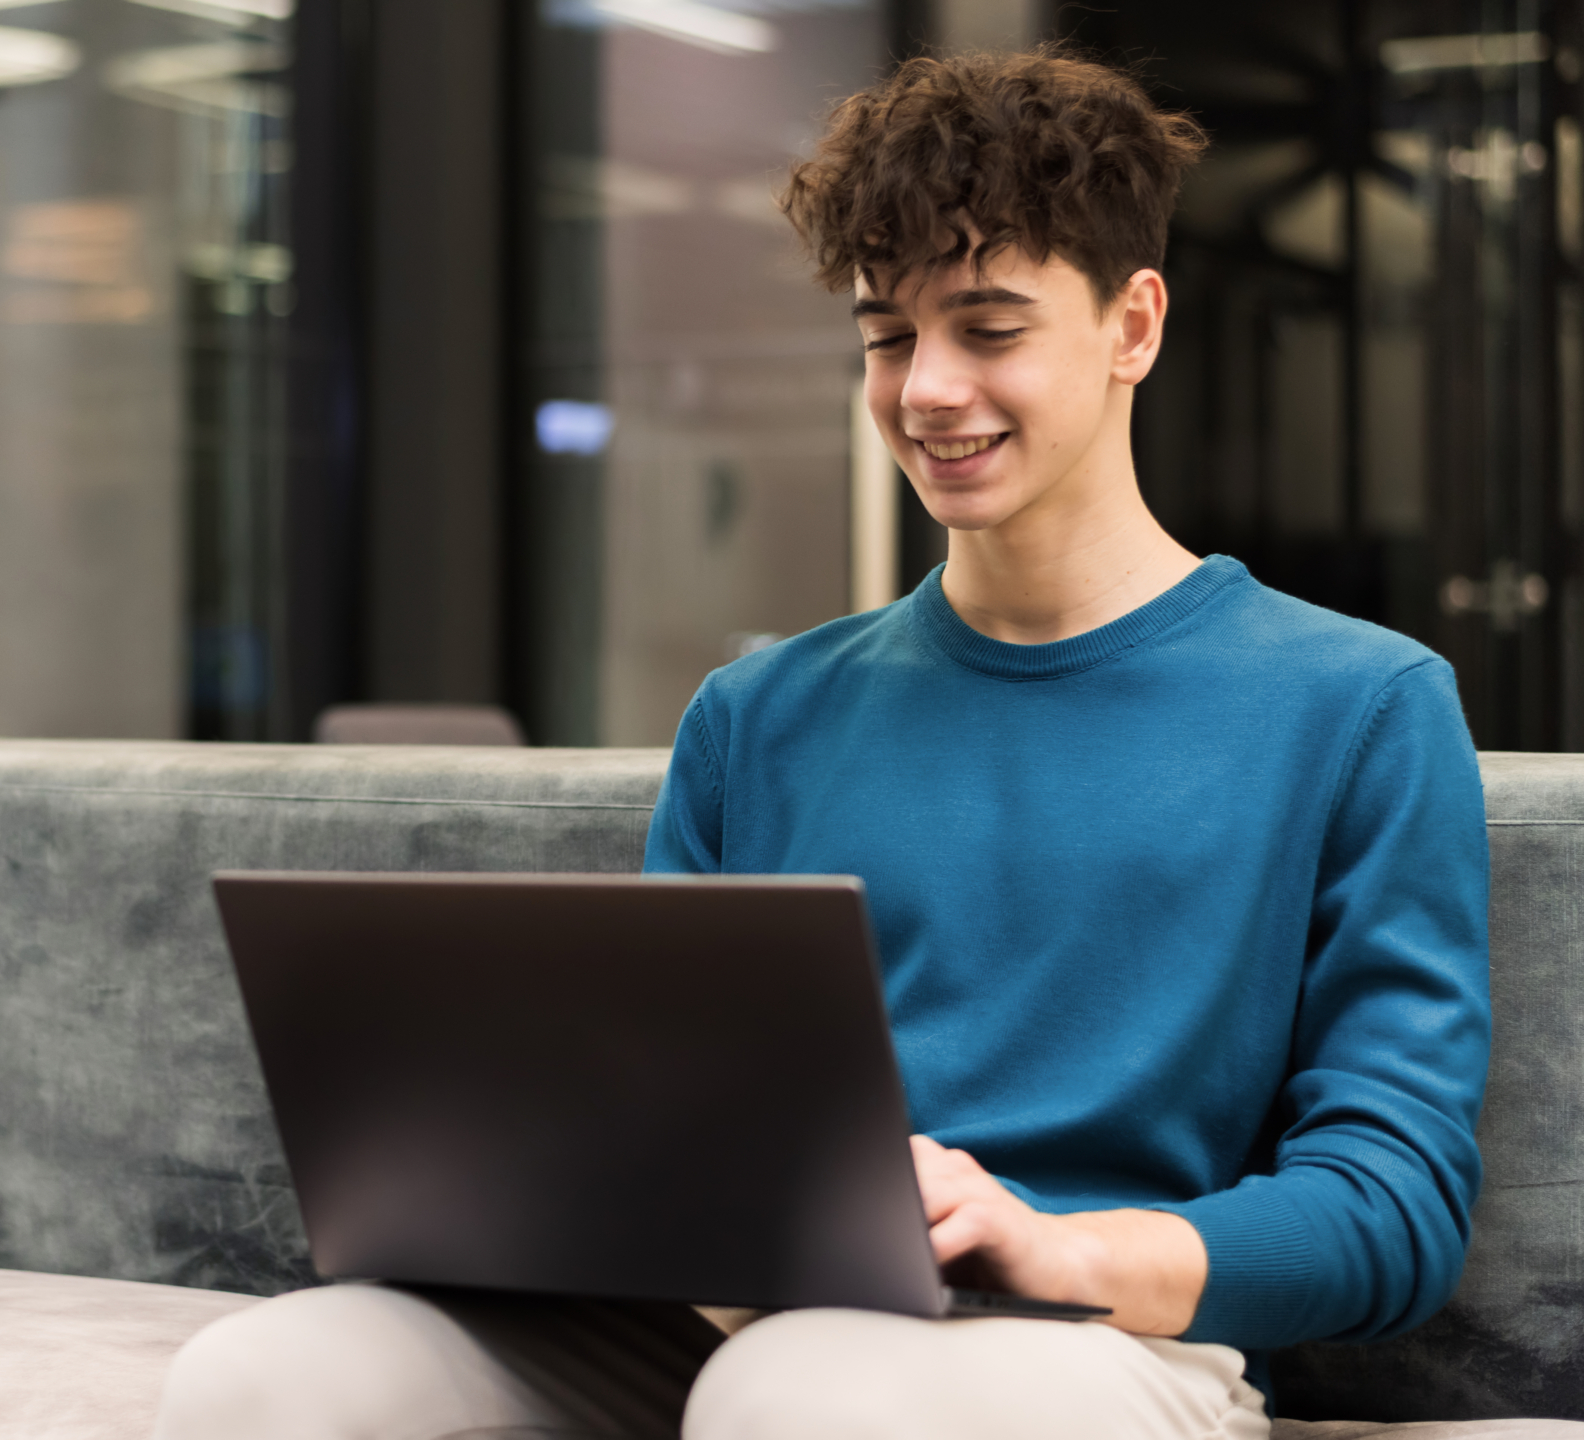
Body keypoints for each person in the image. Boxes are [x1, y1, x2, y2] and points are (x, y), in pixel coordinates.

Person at [154, 45, 1489, 1440]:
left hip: (1089, 1340)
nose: (924, 389)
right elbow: (657, 1118)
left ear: (1132, 325)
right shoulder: (759, 716)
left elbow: (1391, 1206)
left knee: (801, 1396)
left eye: (989, 326)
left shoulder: (1361, 706)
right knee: (268, 1376)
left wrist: (1059, 1245)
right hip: (741, 1326)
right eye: (887, 335)